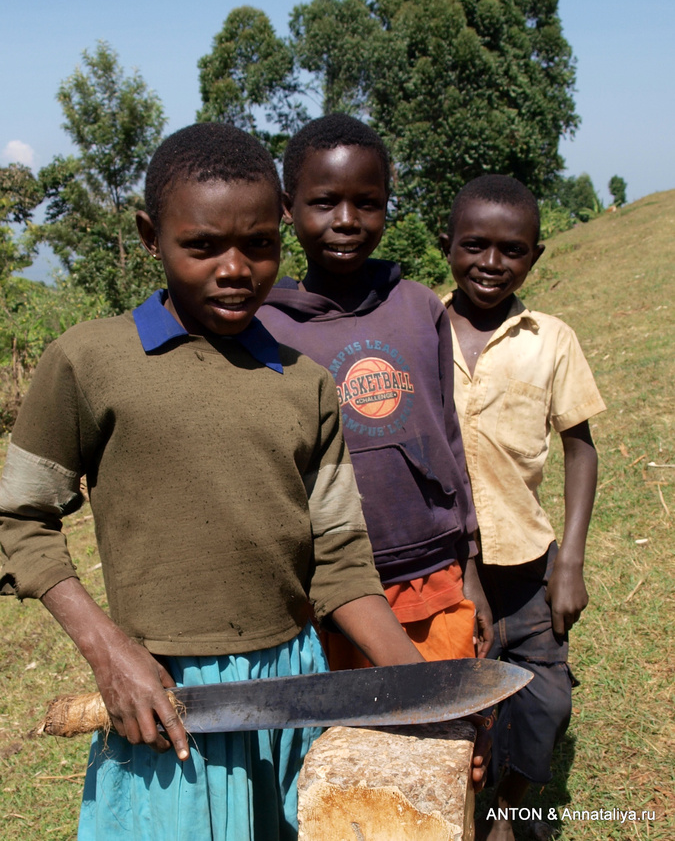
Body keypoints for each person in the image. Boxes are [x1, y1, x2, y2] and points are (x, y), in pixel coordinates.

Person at [0, 123, 429, 841]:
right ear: (149, 235)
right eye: (202, 246)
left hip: (294, 692)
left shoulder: (304, 383)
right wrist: (111, 655)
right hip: (163, 698)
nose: (235, 268)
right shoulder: (89, 362)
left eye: (259, 245)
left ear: (282, 232)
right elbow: (18, 518)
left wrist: (425, 691)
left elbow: (340, 562)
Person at [258, 113, 493, 673]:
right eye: (324, 203)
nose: (346, 220)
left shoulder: (419, 308)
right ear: (288, 207)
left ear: (388, 202)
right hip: (330, 586)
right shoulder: (267, 328)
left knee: (444, 731)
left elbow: (449, 442)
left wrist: (473, 572)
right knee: (351, 747)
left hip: (432, 574)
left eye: (367, 202)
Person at [440, 175, 606, 841]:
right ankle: (456, 814)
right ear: (447, 245)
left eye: (510, 250)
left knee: (544, 702)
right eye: (473, 245)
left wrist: (569, 558)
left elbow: (580, 447)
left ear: (534, 255)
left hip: (530, 563)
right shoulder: (421, 329)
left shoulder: (550, 338)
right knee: (457, 698)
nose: (490, 263)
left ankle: (509, 812)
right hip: (446, 565)